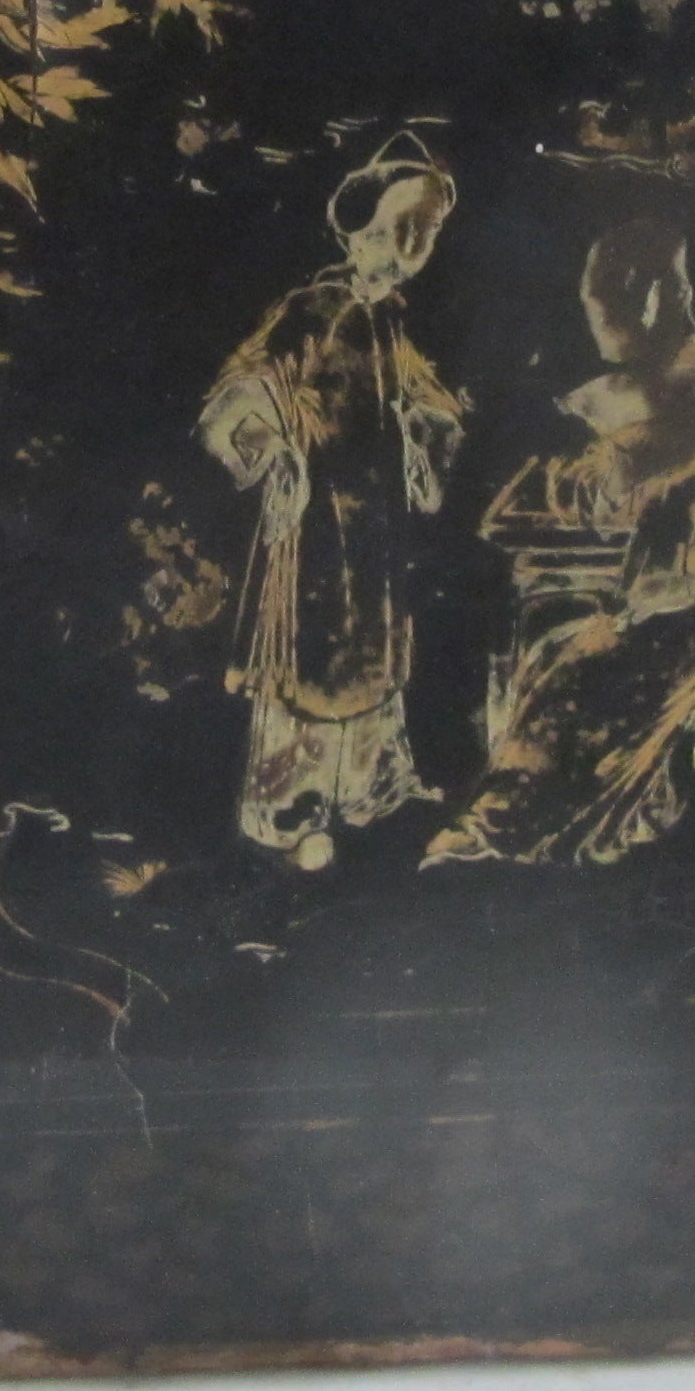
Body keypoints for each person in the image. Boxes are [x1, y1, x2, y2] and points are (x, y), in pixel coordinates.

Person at [425, 219, 695, 869]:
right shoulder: (654, 378)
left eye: (606, 308)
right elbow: (606, 478)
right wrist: (579, 483)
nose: (597, 326)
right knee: (538, 630)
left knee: (579, 662)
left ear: (656, 300)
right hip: (641, 580)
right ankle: (555, 810)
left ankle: (507, 822)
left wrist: (684, 581)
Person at [198, 137, 467, 869]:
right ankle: (296, 807)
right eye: (400, 225)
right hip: (318, 514)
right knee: (312, 654)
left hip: (376, 513)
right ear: (358, 228)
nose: (413, 243)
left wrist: (427, 427)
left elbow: (430, 402)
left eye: (427, 229)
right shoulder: (311, 310)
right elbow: (240, 392)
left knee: (374, 648)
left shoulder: (392, 319)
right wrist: (276, 447)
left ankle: (370, 790)